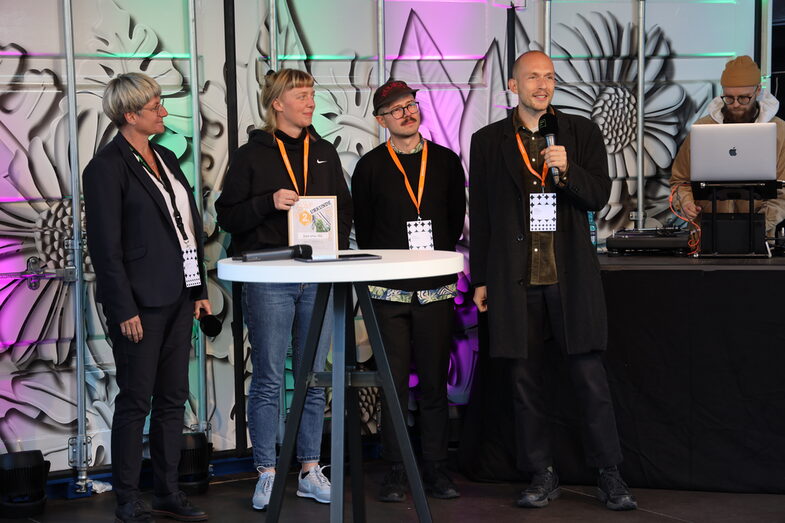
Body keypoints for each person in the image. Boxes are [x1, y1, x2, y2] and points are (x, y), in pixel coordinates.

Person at [468, 51, 637, 511]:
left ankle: (610, 473)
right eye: (532, 77)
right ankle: (541, 473)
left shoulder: (580, 132)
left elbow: (598, 196)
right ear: (512, 84)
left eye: (549, 77)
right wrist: (480, 279)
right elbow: (481, 216)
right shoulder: (487, 141)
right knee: (524, 382)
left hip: (569, 278)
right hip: (514, 279)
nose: (542, 85)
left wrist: (567, 170)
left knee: (589, 378)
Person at [215, 68, 352, 511]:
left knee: (313, 378)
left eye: (312, 93)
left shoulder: (325, 152)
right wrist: (266, 202)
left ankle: (310, 469)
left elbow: (343, 211)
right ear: (277, 103)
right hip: (271, 280)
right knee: (271, 378)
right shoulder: (251, 155)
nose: (310, 101)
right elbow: (227, 216)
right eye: (300, 94)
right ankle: (267, 473)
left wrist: (333, 251)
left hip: (318, 277)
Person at [83, 72, 211, 523]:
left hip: (178, 295)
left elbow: (185, 228)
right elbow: (105, 247)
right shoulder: (105, 167)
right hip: (140, 303)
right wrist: (123, 309)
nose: (163, 110)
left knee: (173, 398)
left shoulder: (166, 157)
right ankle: (127, 498)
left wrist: (198, 290)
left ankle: (167, 492)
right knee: (136, 401)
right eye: (155, 105)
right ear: (129, 114)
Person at [351, 80, 466, 502]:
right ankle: (397, 469)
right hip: (388, 292)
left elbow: (454, 223)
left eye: (411, 105)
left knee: (434, 383)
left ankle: (436, 469)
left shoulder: (447, 162)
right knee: (393, 384)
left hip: (435, 290)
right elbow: (364, 229)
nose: (407, 113)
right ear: (381, 121)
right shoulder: (370, 167)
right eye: (396, 109)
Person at [670, 55, 785, 236]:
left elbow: (783, 190)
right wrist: (685, 203)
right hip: (705, 235)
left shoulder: (780, 131)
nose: (736, 104)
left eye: (744, 98)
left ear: (758, 91)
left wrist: (759, 224)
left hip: (759, 237)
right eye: (729, 98)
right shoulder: (702, 128)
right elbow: (679, 181)